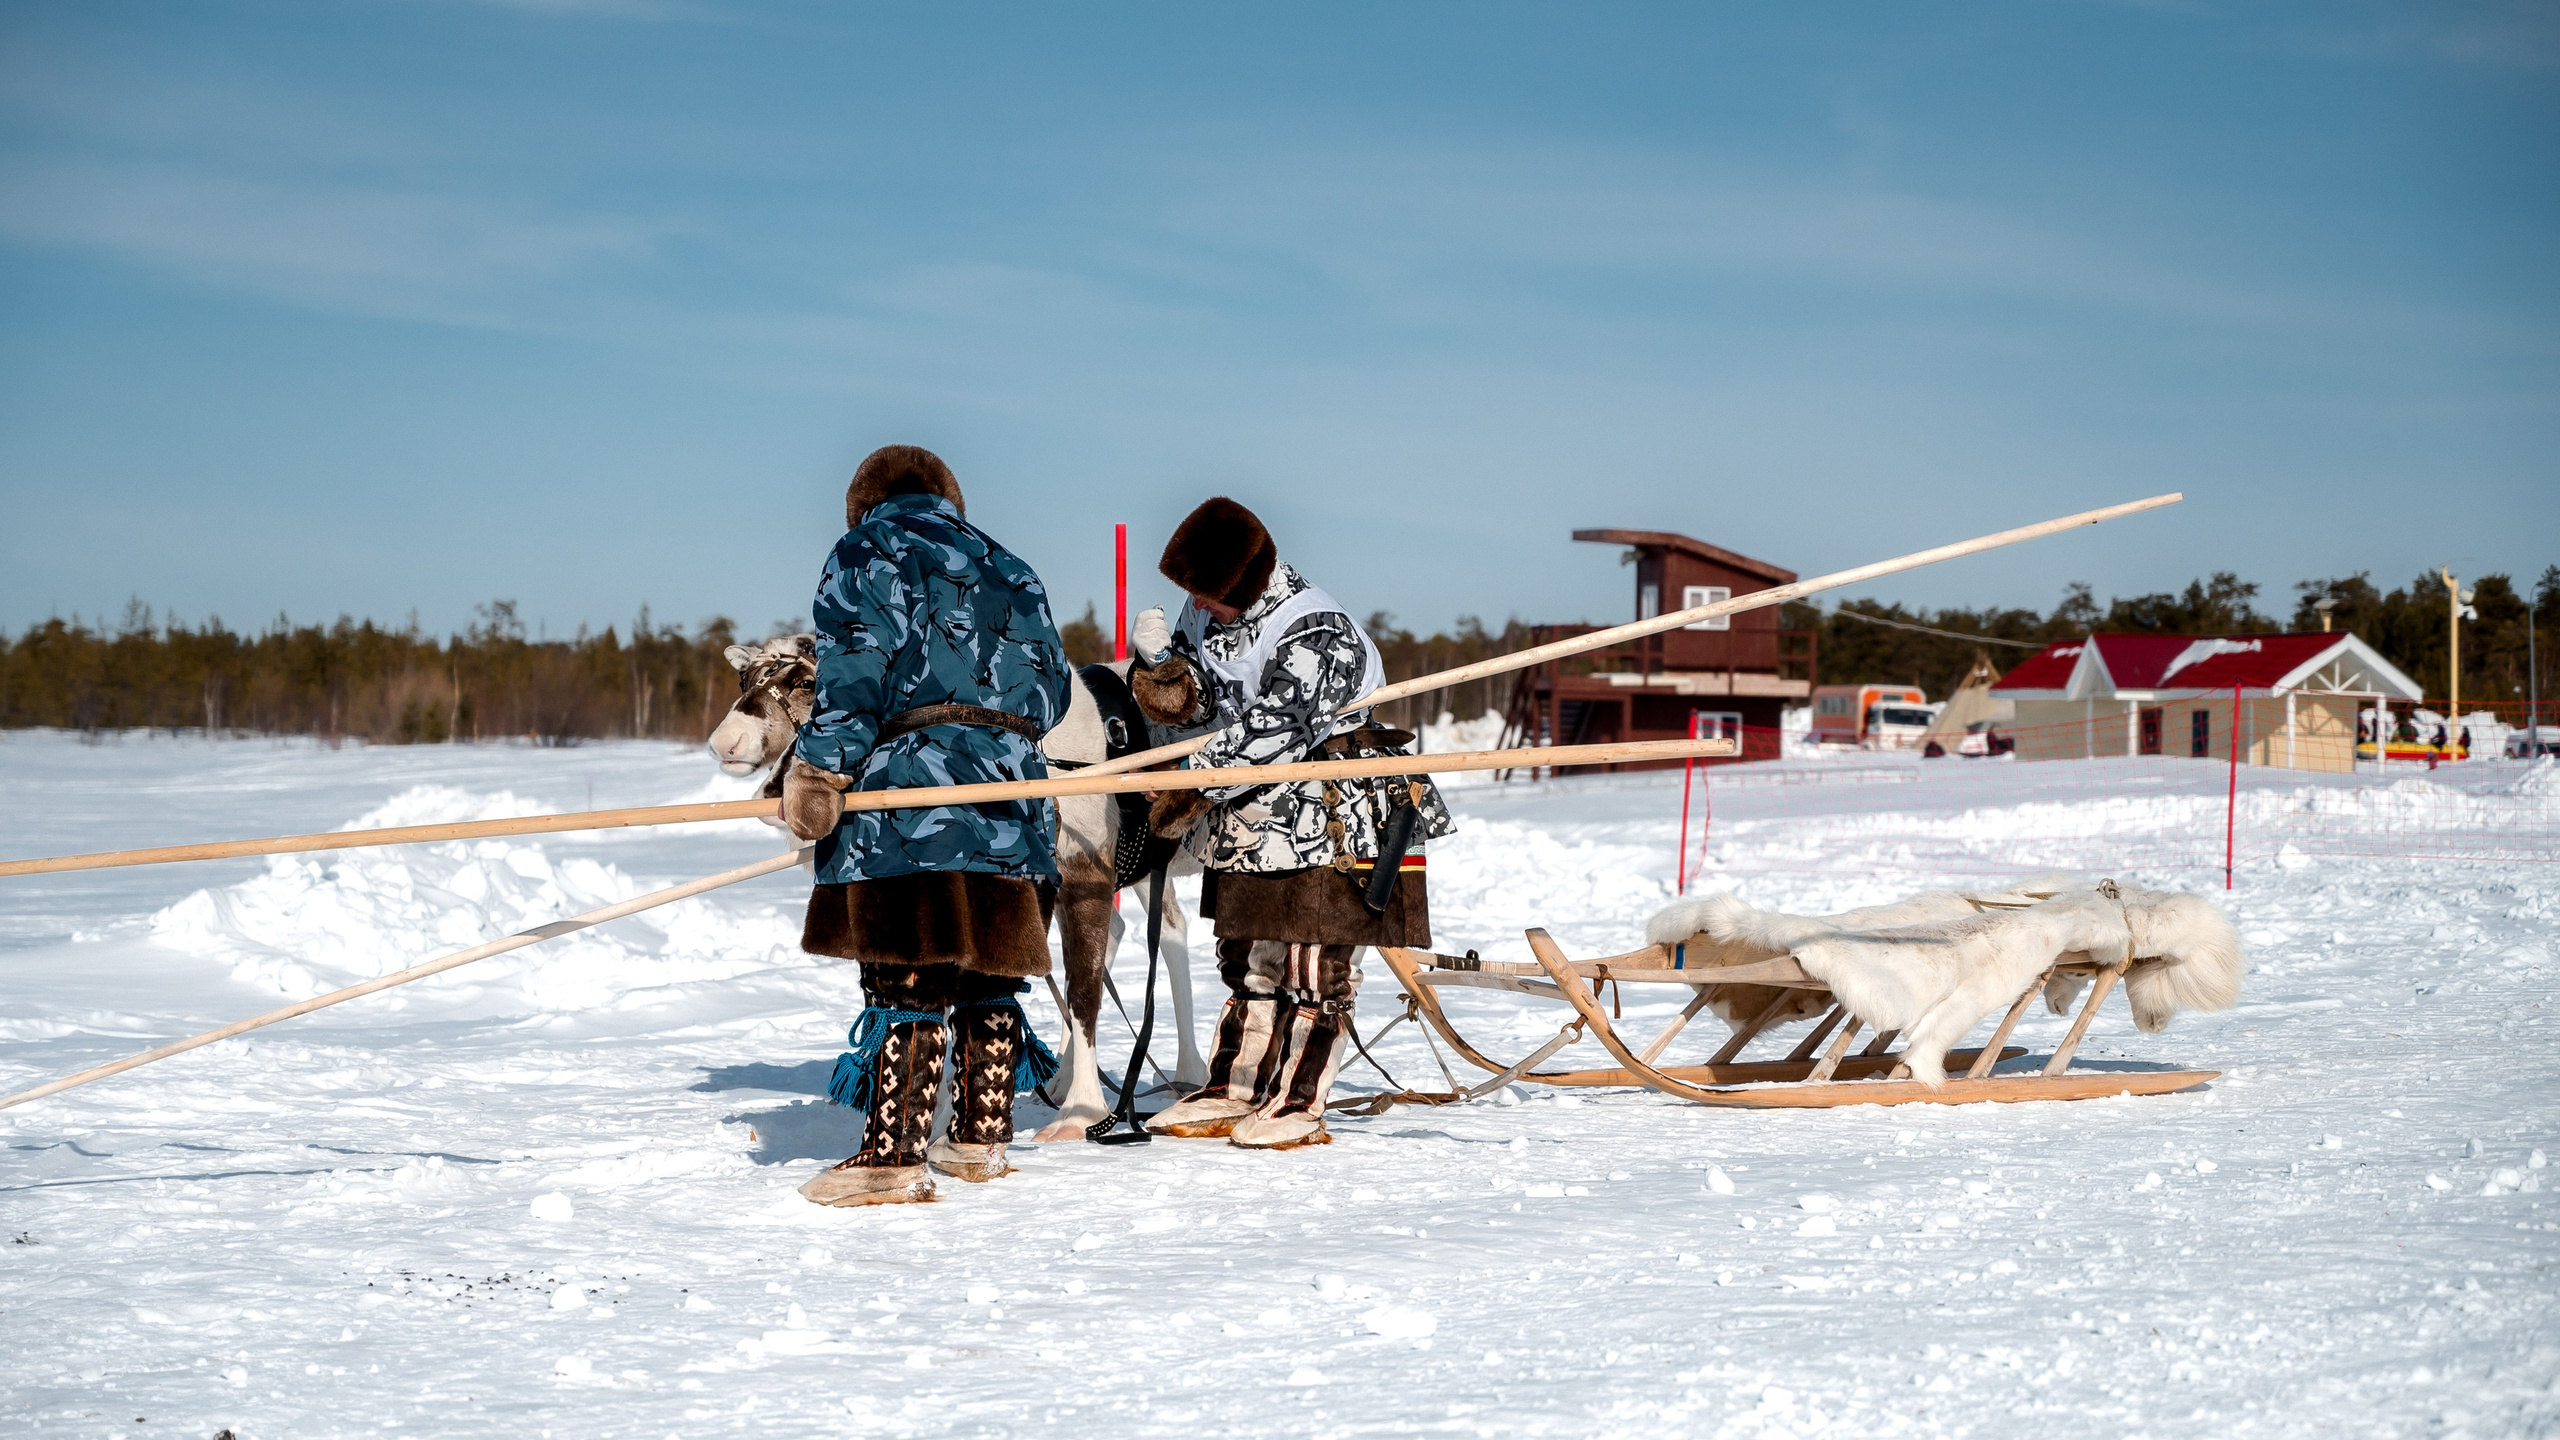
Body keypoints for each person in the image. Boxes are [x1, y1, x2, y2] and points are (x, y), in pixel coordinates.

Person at [779, 445, 1073, 1207]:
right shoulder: (1013, 565)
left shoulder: (865, 550)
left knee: (908, 977)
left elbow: (852, 679)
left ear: (865, 502)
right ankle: (980, 1141)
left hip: (910, 803)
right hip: (1014, 797)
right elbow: (1053, 696)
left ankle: (891, 1157)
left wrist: (815, 771)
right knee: (989, 975)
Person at [1122, 497, 1454, 1150]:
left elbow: (1271, 734)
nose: (1200, 607)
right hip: (1253, 813)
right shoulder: (1206, 611)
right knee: (1247, 954)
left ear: (1243, 584)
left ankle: (1299, 1100)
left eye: (1210, 596)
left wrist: (1187, 784)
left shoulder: (1316, 628)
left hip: (1336, 804)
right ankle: (1234, 1084)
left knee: (1310, 956)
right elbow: (1200, 708)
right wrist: (1164, 674)